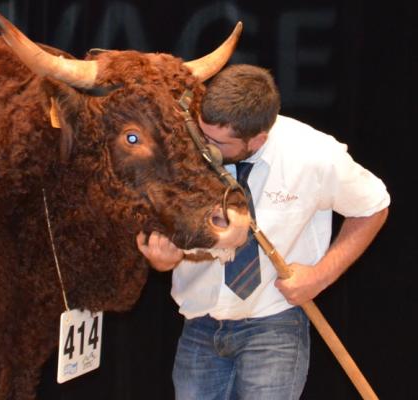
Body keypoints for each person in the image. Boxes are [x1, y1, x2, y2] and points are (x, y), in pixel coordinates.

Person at [136, 64, 390, 399]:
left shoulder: (314, 156)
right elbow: (162, 230)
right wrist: (163, 258)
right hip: (199, 320)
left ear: (257, 139)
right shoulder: (185, 148)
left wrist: (320, 276)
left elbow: (373, 208)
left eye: (217, 142)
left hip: (274, 324)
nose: (204, 147)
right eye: (202, 133)